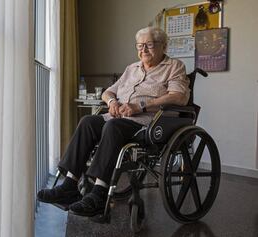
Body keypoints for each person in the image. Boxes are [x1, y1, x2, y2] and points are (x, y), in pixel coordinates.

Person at [37, 26, 190, 217]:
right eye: (140, 45)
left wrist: (140, 106)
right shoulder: (132, 68)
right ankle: (69, 186)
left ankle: (99, 194)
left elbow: (178, 97)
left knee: (113, 126)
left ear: (164, 46)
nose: (143, 49)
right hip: (117, 117)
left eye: (149, 45)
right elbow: (108, 91)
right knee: (88, 122)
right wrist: (112, 101)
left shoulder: (174, 66)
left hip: (148, 122)